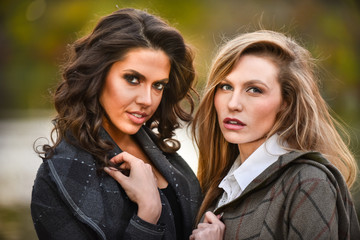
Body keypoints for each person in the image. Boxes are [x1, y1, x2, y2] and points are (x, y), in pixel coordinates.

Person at [31, 8, 202, 240]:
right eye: (133, 79)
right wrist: (147, 216)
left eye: (158, 85)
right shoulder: (59, 178)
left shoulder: (162, 154)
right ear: (98, 74)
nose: (147, 100)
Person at [190, 30, 360, 239]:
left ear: (286, 103)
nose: (233, 104)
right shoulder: (219, 186)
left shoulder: (308, 183)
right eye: (226, 86)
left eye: (254, 90)